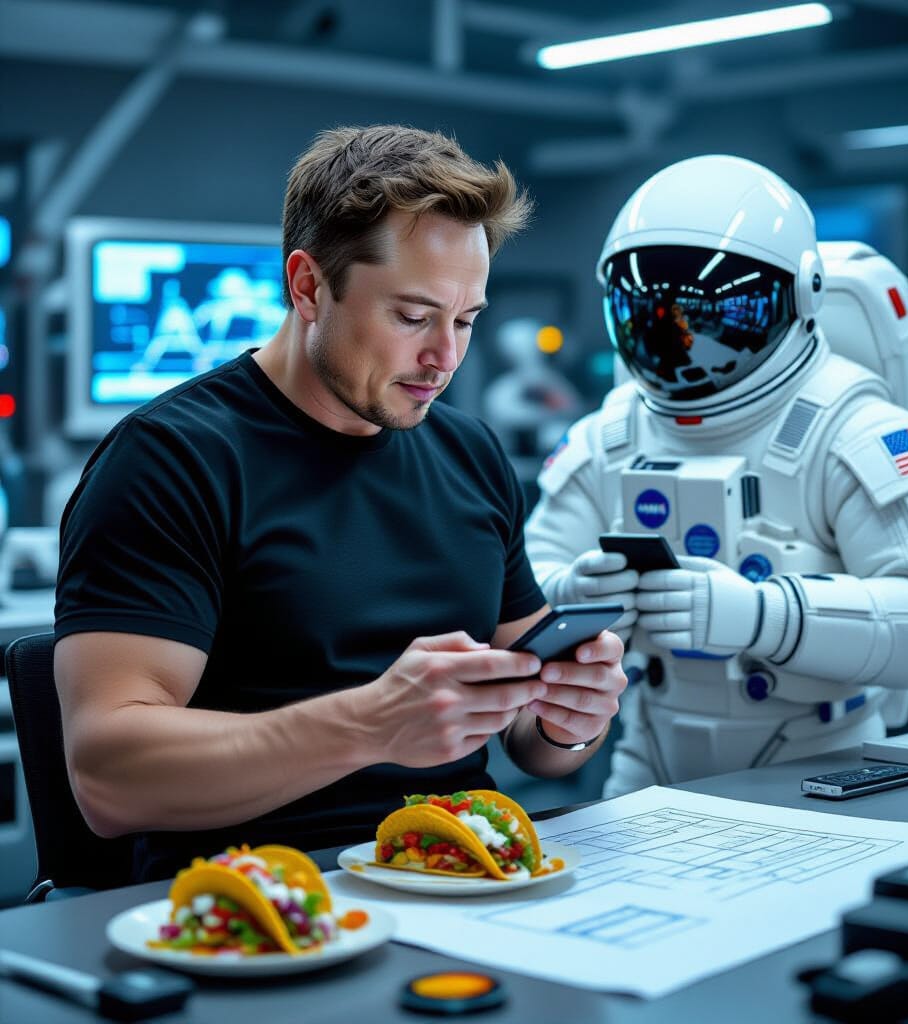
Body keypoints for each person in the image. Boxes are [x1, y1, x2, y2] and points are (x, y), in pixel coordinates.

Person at [55, 124, 626, 882]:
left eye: (465, 321)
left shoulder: (471, 454)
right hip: (261, 897)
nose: (445, 359)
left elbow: (533, 740)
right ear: (307, 286)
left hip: (467, 878)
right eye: (412, 316)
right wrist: (370, 724)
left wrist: (570, 719)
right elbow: (108, 778)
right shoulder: (172, 459)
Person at [524, 154, 908, 797]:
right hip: (648, 757)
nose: (677, 346)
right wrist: (572, 593)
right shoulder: (614, 430)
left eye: (708, 319)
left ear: (800, 295)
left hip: (819, 764)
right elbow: (524, 577)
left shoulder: (851, 428)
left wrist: (766, 616)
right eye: (649, 317)